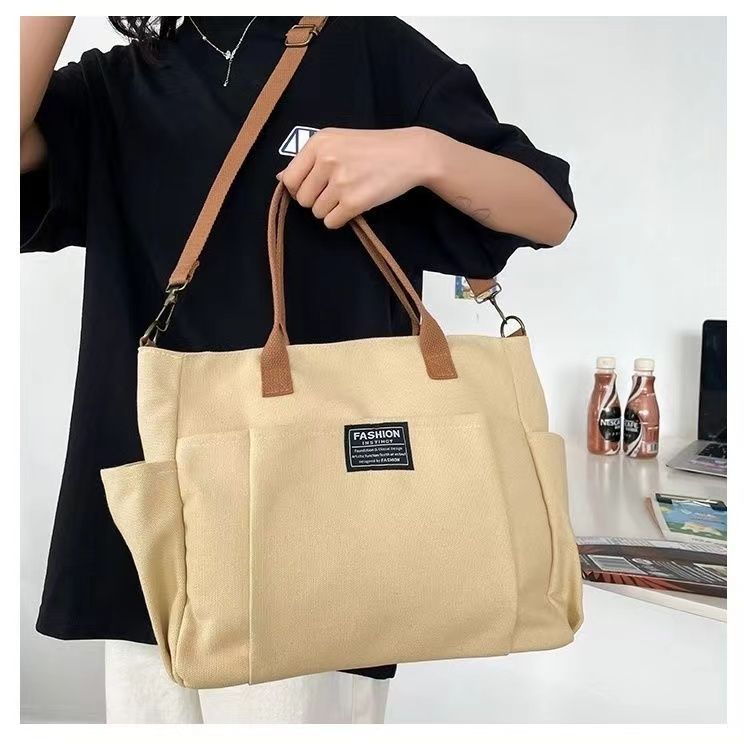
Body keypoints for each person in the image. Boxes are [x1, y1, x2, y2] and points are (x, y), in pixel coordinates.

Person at [20, 16, 576, 724]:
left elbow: (550, 213)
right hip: (155, 527)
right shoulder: (120, 84)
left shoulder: (369, 46)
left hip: (318, 534)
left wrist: (423, 152)